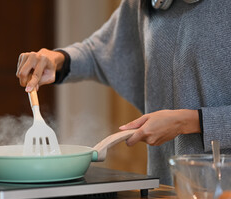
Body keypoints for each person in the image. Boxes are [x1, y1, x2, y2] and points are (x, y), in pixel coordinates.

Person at [15, 0, 231, 185]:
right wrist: (58, 60)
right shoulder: (142, 4)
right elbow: (101, 50)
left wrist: (189, 121)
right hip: (168, 190)